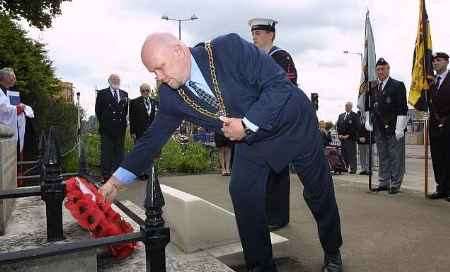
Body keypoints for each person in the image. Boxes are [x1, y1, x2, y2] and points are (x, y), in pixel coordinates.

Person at [99, 33, 343, 272]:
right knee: (242, 192)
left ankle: (332, 252)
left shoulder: (228, 49)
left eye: (160, 68)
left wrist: (246, 124)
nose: (159, 77)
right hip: (251, 142)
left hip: (292, 123)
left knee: (318, 191)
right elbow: (152, 139)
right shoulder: (170, 95)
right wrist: (116, 180)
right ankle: (260, 266)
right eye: (153, 72)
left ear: (178, 50)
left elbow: (278, 86)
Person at [249, 17, 297, 230]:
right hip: (260, 122)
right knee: (263, 171)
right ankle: (266, 213)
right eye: (253, 33)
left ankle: (278, 217)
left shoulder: (281, 57)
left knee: (277, 170)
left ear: (271, 34)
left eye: (258, 33)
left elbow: (286, 88)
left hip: (279, 122)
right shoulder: (256, 58)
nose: (254, 37)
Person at [365, 58, 408, 194]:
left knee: (396, 156)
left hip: (394, 126)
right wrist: (368, 121)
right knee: (382, 155)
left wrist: (400, 128)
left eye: (383, 69)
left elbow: (403, 108)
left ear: (388, 69)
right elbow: (368, 107)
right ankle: (384, 181)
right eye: (378, 69)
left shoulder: (397, 85)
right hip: (378, 127)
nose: (380, 71)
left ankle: (395, 183)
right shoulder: (372, 87)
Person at [95, 74, 128, 182]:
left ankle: (118, 177)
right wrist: (105, 124)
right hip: (107, 130)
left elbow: (125, 111)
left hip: (120, 130)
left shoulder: (124, 94)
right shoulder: (102, 93)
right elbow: (98, 111)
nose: (116, 81)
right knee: (106, 155)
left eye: (118, 79)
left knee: (119, 155)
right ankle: (106, 177)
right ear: (109, 81)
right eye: (114, 79)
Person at [428, 52, 450, 202]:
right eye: (434, 61)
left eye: (439, 60)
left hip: (448, 122)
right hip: (435, 125)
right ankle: (441, 188)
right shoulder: (432, 82)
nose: (435, 63)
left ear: (447, 62)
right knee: (437, 157)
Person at [0, 67, 30, 154]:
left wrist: (20, 107)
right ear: (4, 78)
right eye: (12, 77)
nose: (14, 79)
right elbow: (2, 106)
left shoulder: (7, 91)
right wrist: (16, 109)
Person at [336, 102, 359, 174]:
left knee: (351, 154)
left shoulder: (354, 115)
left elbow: (356, 127)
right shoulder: (341, 115)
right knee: (344, 154)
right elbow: (338, 126)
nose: (346, 107)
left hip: (350, 138)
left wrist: (348, 135)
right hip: (342, 138)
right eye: (346, 106)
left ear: (351, 107)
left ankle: (353, 169)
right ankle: (345, 168)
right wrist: (339, 134)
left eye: (348, 106)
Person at [357, 111, 374, 175]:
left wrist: (365, 138)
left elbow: (372, 128)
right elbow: (355, 128)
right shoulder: (357, 115)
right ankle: (363, 169)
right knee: (362, 156)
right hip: (360, 141)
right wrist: (359, 137)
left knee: (369, 156)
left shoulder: (370, 114)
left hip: (368, 140)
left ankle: (369, 169)